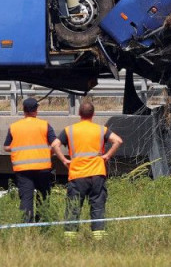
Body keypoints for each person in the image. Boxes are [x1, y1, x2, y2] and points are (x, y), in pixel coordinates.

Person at [51, 100, 124, 241]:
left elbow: (55, 145)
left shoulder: (69, 130)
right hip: (97, 173)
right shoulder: (101, 129)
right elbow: (118, 141)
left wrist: (65, 160)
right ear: (93, 114)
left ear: (79, 114)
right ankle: (99, 238)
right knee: (97, 205)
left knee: (73, 207)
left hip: (77, 174)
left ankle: (70, 239)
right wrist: (107, 156)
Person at [3, 97, 55, 222]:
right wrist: (49, 153)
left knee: (26, 198)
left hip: (23, 169)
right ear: (36, 110)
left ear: (24, 110)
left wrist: (19, 148)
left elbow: (6, 147)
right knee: (43, 196)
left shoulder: (14, 127)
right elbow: (55, 144)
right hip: (43, 168)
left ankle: (26, 225)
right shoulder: (45, 125)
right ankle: (43, 223)